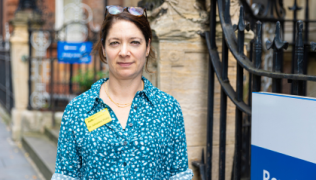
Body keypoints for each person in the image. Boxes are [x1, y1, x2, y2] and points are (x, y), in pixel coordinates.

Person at [51, 5, 193, 180]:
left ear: (147, 47)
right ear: (104, 48)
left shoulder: (168, 108)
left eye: (134, 42)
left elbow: (178, 175)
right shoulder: (78, 110)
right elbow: (66, 176)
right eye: (115, 43)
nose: (124, 52)